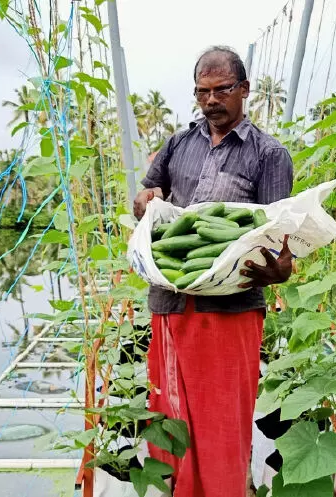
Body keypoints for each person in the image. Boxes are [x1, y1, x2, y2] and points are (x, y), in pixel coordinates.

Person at [133, 46, 294, 497]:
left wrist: (279, 270)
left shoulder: (269, 155)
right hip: (171, 298)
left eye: (222, 89)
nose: (210, 100)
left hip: (232, 309)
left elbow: (282, 241)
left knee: (223, 420)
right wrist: (144, 201)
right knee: (168, 412)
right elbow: (145, 199)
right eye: (202, 92)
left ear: (244, 90)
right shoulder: (177, 145)